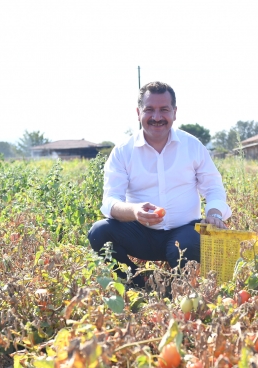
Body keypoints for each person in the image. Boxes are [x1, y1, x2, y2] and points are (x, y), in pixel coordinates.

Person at [88, 81, 231, 287]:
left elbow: (213, 186)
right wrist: (135, 211)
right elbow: (110, 201)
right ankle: (138, 282)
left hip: (184, 231)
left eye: (164, 109)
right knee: (99, 232)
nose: (156, 117)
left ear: (174, 112)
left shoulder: (192, 146)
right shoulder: (123, 151)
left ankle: (178, 289)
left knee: (186, 246)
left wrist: (214, 213)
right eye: (149, 110)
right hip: (139, 233)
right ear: (138, 113)